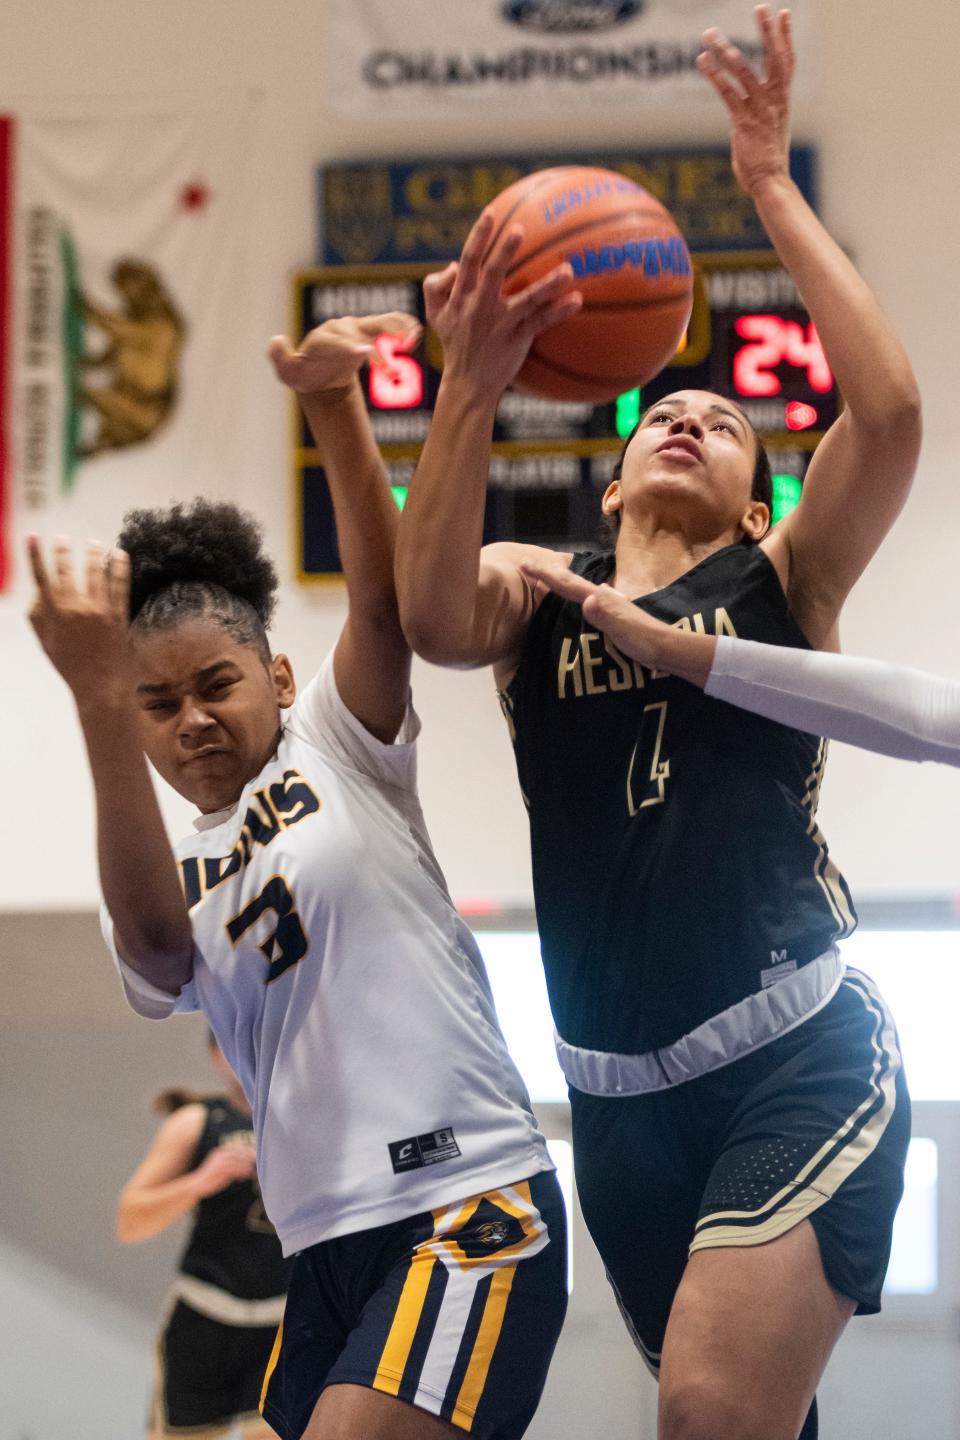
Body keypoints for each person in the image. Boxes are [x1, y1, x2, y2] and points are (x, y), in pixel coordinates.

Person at [394, 9, 921, 1440]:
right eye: (659, 413)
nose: (687, 413)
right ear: (613, 487)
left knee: (703, 1411)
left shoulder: (785, 579)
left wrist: (767, 186)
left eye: (723, 419)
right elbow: (430, 613)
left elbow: (892, 413)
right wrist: (472, 385)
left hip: (799, 1048)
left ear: (759, 503)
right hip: (614, 1093)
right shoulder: (537, 595)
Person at [26, 313, 567, 1440]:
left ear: (275, 673)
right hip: (323, 1245)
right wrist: (93, 704)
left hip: (461, 1200)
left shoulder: (337, 745)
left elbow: (382, 603)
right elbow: (161, 951)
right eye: (157, 706)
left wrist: (334, 403)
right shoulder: (165, 861)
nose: (192, 720)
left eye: (215, 685)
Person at [117, 1031, 290, 1440]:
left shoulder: (308, 1123)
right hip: (203, 1320)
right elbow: (130, 1220)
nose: (252, 1055)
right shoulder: (197, 1121)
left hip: (280, 1323)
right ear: (217, 1056)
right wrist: (201, 1180)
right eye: (237, 1044)